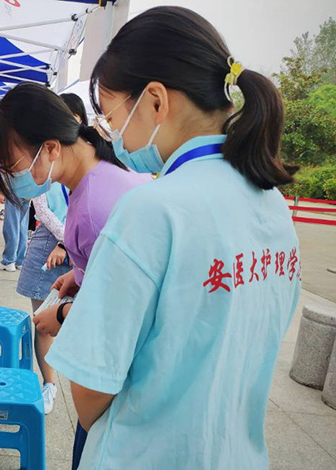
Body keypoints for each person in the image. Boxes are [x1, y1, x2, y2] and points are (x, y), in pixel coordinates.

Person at [45, 7, 301, 469]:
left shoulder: (151, 209)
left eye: (111, 115)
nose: (113, 136)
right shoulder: (274, 206)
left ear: (156, 101)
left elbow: (89, 392)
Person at [0, 81, 150, 465]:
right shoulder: (99, 177)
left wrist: (64, 314)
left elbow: (125, 312)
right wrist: (79, 275)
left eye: (11, 166)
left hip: (119, 394)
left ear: (51, 148)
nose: (11, 177)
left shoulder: (95, 207)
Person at [15, 181, 71, 414]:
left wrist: (69, 244)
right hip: (49, 246)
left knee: (76, 322)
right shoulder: (43, 175)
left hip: (79, 248)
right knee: (43, 324)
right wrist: (66, 240)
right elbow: (42, 210)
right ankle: (49, 384)